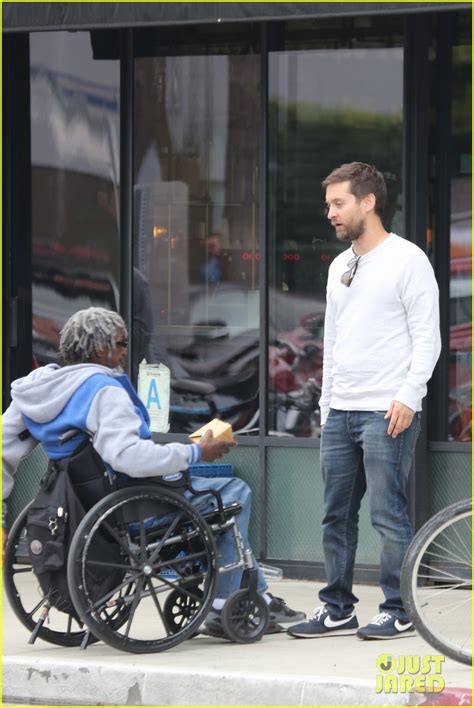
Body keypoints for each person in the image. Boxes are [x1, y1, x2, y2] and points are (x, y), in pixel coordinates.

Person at [2, 307, 304, 637]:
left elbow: (4, 448)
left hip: (77, 504)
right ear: (101, 347)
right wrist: (195, 451)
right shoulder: (105, 391)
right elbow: (128, 457)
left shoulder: (39, 390)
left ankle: (258, 594)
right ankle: (223, 603)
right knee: (232, 494)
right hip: (133, 506)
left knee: (215, 497)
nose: (124, 350)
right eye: (120, 342)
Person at [288, 162, 441, 641]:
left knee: (387, 515)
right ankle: (337, 608)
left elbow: (428, 338)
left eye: (339, 203)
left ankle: (398, 609)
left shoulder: (408, 259)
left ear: (368, 202)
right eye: (329, 204)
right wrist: (327, 407)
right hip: (342, 411)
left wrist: (408, 397)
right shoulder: (340, 266)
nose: (330, 213)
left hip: (386, 410)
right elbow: (334, 343)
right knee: (335, 515)